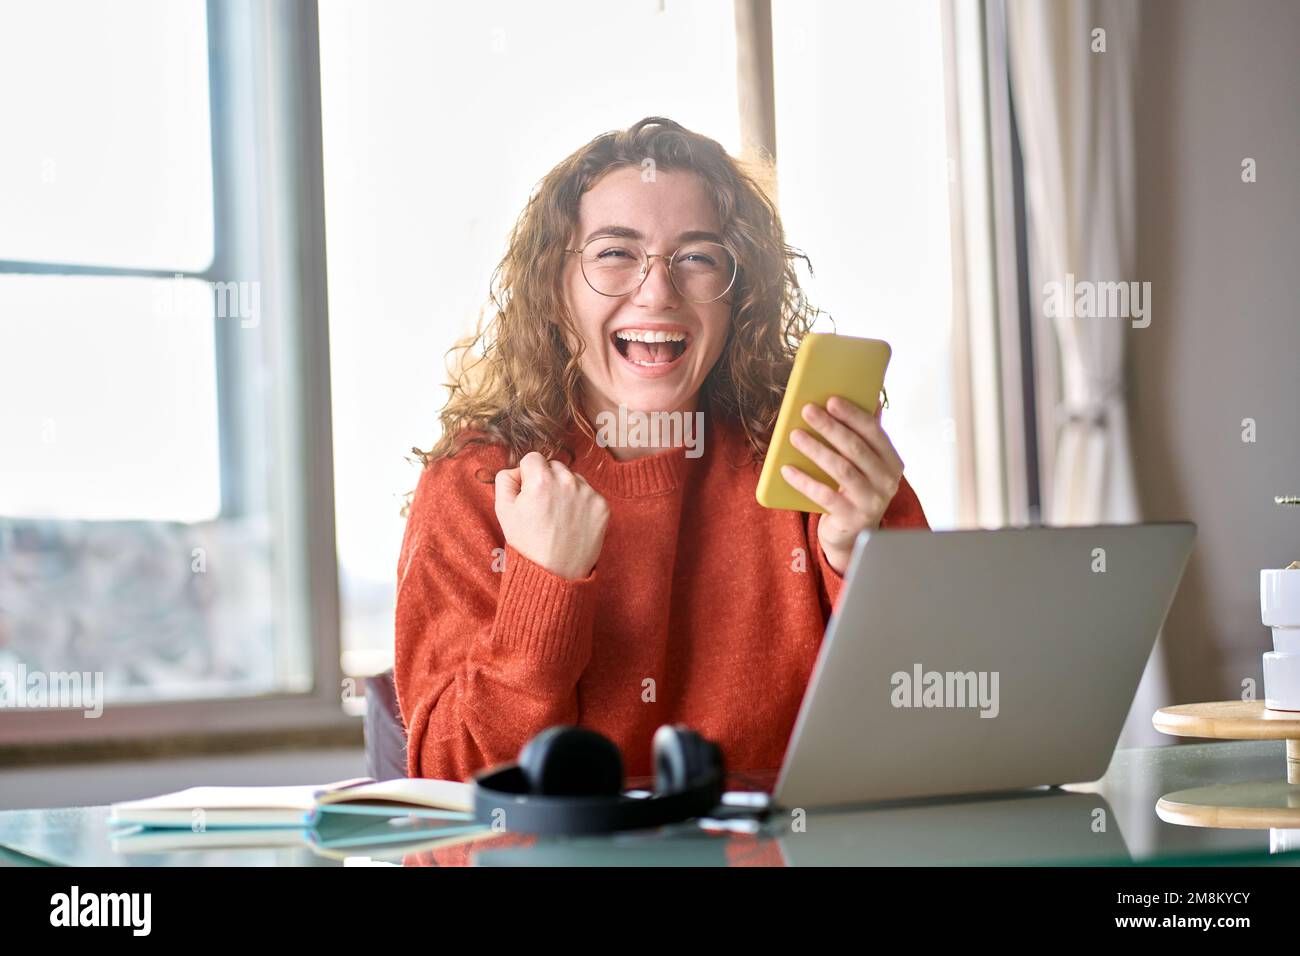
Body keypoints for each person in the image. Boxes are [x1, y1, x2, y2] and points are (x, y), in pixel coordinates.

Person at [395, 117, 929, 783]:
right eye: (615, 254)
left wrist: (860, 560)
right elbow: (451, 787)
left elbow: (928, 728)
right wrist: (543, 585)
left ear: (739, 294)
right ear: (555, 294)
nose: (657, 291)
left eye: (698, 257)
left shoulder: (818, 459)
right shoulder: (474, 484)